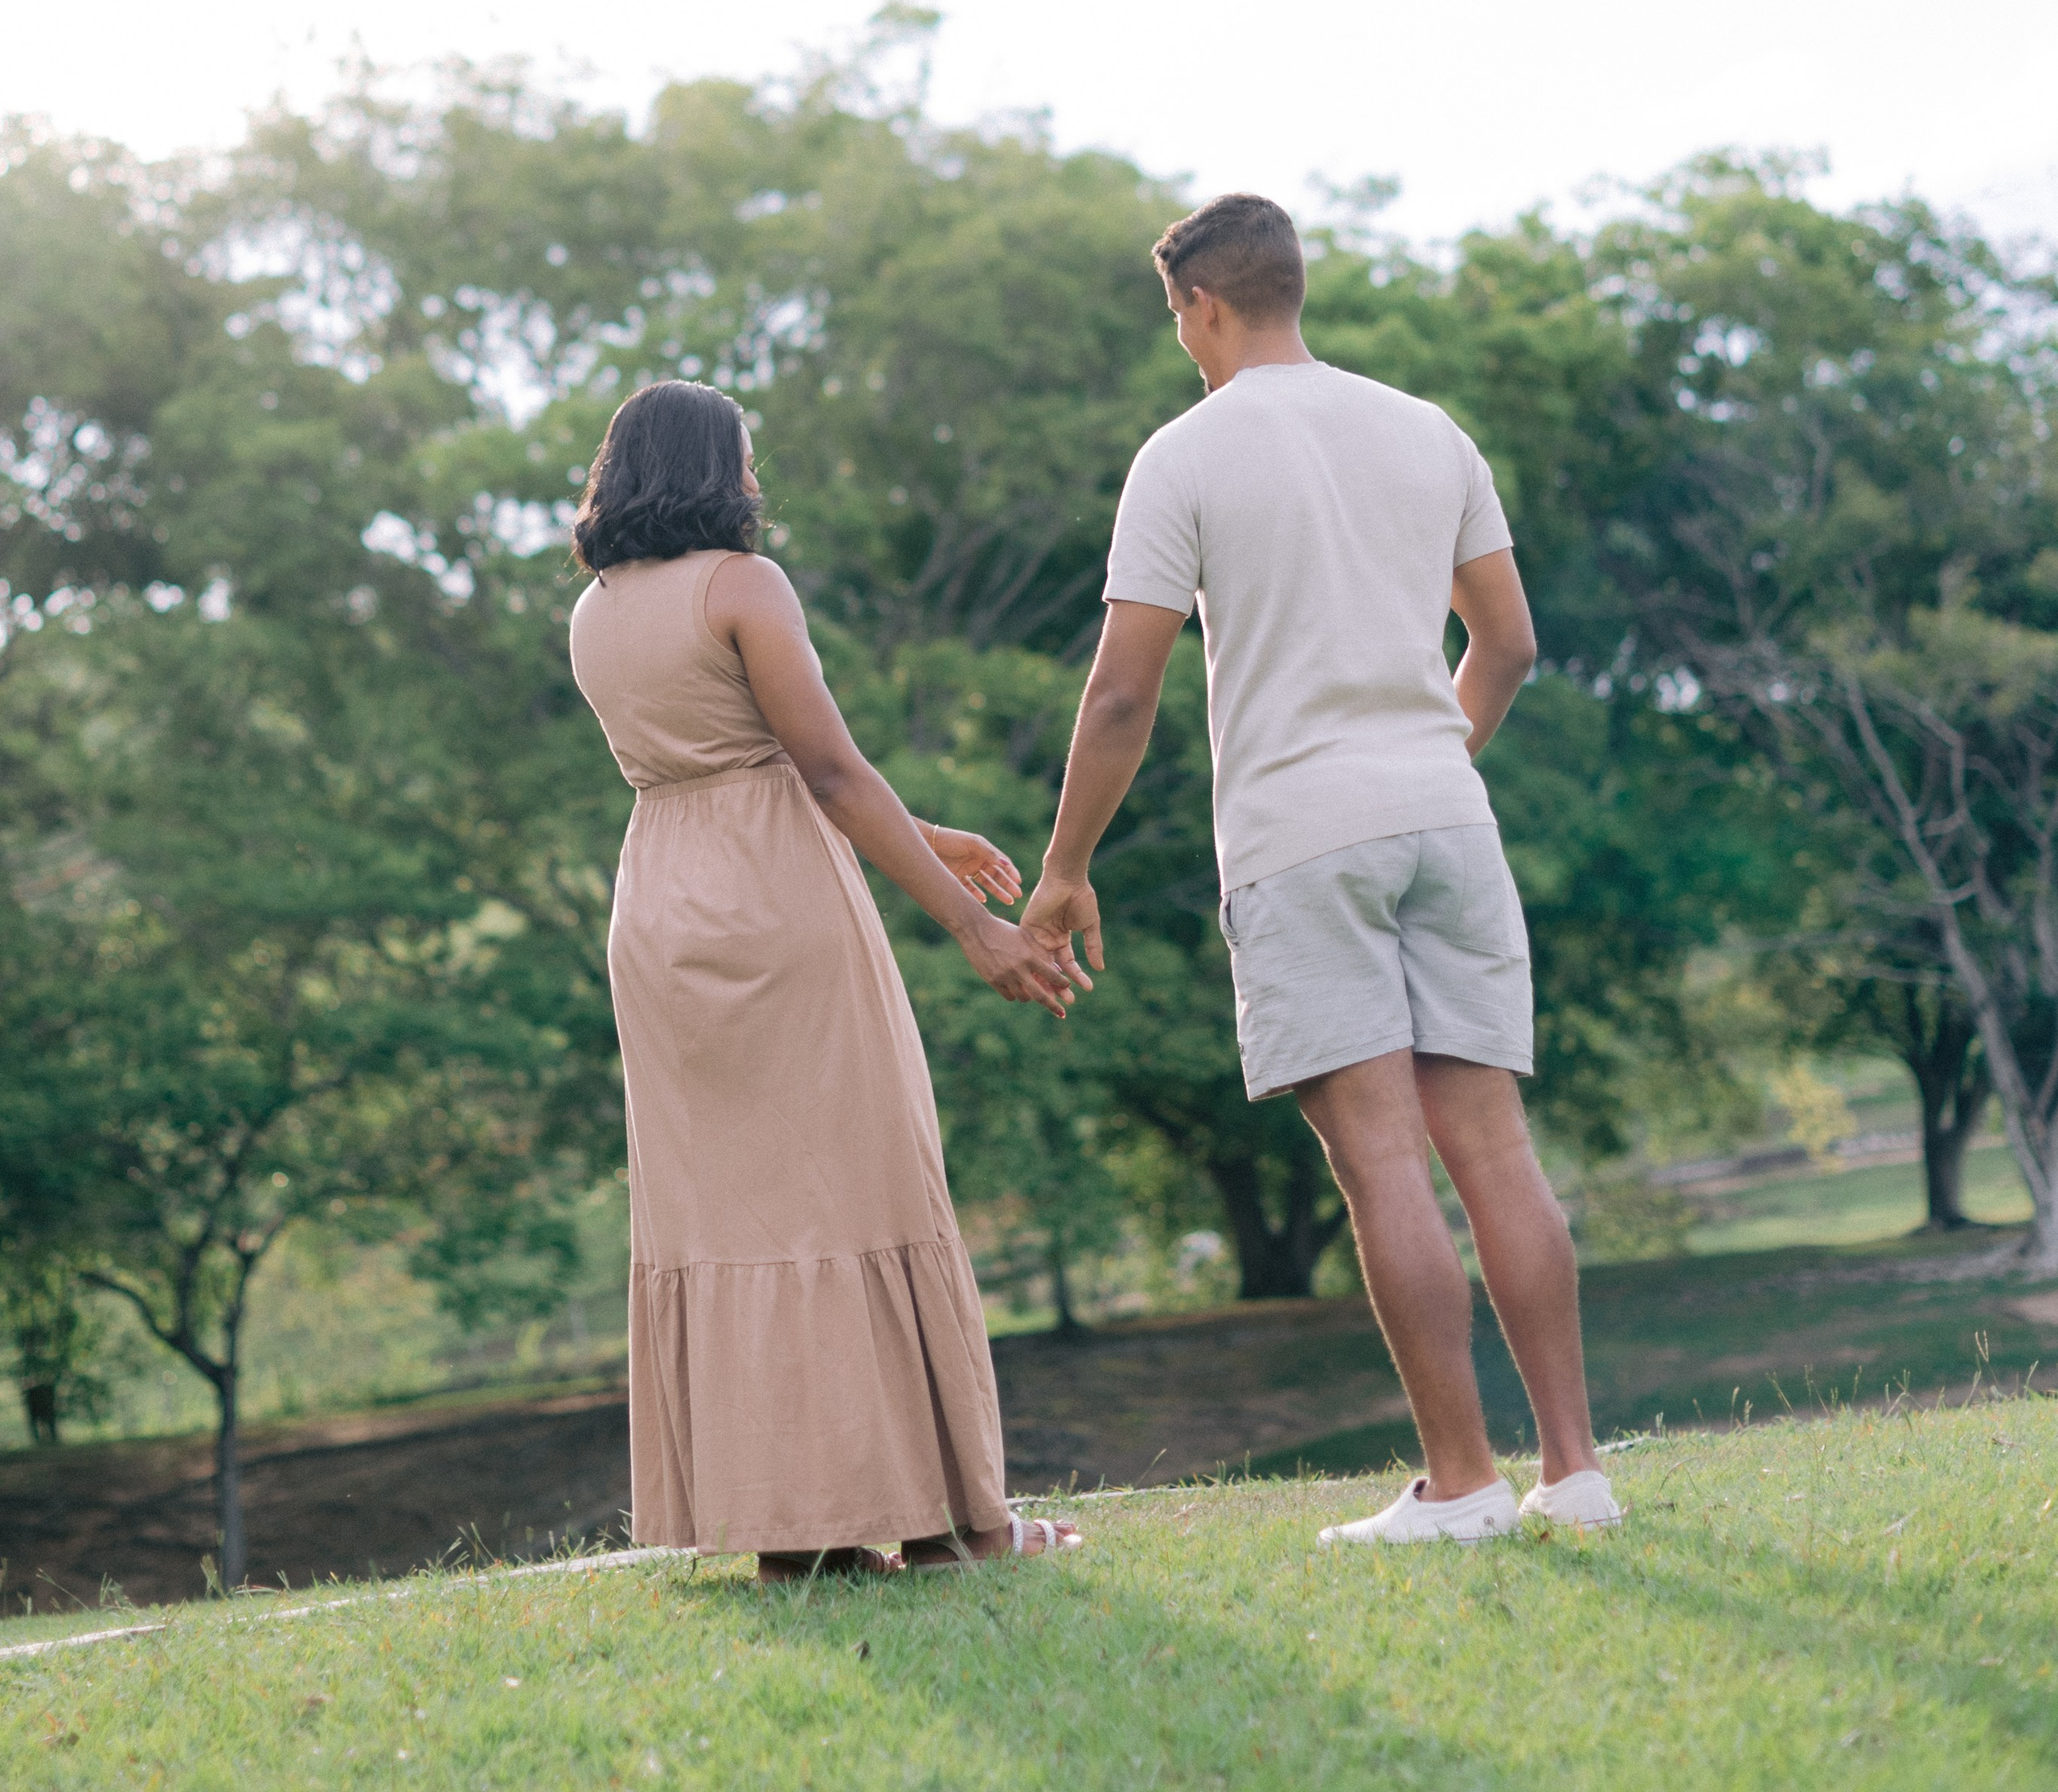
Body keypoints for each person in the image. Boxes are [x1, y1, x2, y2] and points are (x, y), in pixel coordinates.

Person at [1021, 194, 1620, 1543]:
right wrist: (1432, 761)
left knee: (1381, 1164)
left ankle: (1460, 1485)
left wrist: (1064, 869)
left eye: (1177, 315)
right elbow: (1509, 644)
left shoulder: (1181, 458)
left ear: (1204, 306)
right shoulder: (1428, 429)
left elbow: (1122, 695)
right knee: (1494, 1149)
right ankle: (1574, 1475)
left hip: (1303, 840)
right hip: (1449, 820)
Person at [568, 379, 1082, 1579]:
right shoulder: (743, 585)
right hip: (776, 903)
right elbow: (829, 771)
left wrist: (927, 825)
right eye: (745, 458)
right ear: (714, 469)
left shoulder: (593, 613)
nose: (756, 480)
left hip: (662, 910)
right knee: (862, 1186)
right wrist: (972, 925)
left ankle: (794, 1537)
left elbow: (735, 758)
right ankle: (958, 1523)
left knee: (732, 1216)